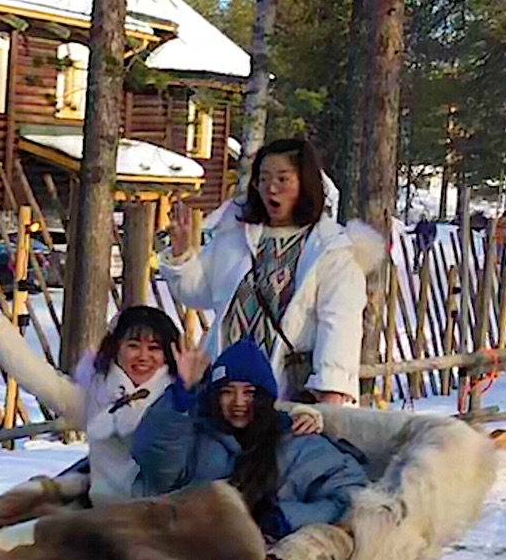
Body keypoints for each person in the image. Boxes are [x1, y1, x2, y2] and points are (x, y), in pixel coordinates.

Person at [163, 137, 382, 405]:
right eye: (263, 179)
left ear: (305, 183)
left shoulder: (331, 250)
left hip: (287, 393)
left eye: (282, 179)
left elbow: (339, 325)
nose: (271, 189)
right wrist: (182, 256)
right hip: (226, 389)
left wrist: (331, 391)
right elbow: (197, 293)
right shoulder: (235, 236)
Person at [132, 338, 369, 543]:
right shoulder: (197, 434)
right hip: (190, 548)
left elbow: (350, 495)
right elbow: (156, 462)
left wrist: (283, 518)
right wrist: (181, 394)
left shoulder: (295, 439)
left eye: (250, 393)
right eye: (227, 392)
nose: (238, 402)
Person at [0, 297, 181, 505]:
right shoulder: (96, 396)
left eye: (154, 348)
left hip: (165, 524)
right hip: (104, 518)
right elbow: (35, 374)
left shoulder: (180, 401)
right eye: (133, 345)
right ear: (116, 349)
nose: (143, 356)